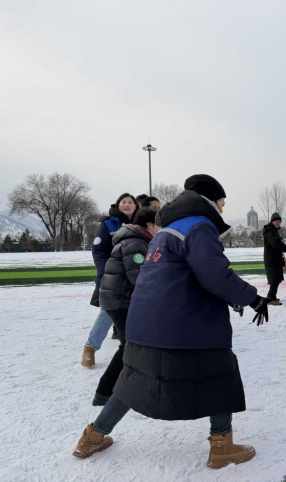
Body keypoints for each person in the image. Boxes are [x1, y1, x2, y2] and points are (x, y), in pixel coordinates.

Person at [72, 174, 270, 469]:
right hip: (184, 323)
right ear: (210, 200)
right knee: (220, 374)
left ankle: (92, 436)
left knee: (133, 380)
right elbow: (215, 274)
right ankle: (222, 447)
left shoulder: (167, 230)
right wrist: (252, 298)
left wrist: (230, 297)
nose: (223, 209)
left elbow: (185, 275)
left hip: (146, 322)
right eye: (222, 203)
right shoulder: (199, 226)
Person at [92, 208, 160, 406]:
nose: (161, 230)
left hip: (119, 299)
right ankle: (105, 391)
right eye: (159, 225)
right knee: (129, 344)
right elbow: (139, 278)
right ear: (149, 225)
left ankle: (112, 389)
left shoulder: (138, 240)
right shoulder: (135, 243)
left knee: (131, 343)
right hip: (119, 301)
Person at [82, 193, 138, 368]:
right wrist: (106, 271)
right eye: (124, 202)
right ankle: (90, 348)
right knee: (107, 313)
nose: (127, 205)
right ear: (118, 205)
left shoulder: (140, 223)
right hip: (113, 276)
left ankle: (136, 351)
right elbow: (98, 251)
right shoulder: (108, 225)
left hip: (135, 276)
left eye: (130, 202)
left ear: (136, 206)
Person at [262, 213, 286, 305]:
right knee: (274, 279)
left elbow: (276, 242)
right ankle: (270, 298)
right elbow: (275, 243)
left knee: (277, 278)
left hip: (275, 258)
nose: (278, 223)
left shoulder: (273, 230)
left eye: (279, 221)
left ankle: (272, 296)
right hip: (271, 259)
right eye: (276, 221)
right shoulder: (269, 231)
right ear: (272, 221)